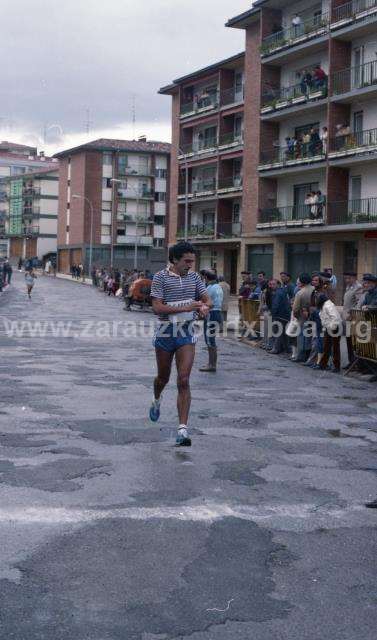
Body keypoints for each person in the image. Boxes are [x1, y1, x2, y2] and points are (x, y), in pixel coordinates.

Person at [149, 242, 211, 447]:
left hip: (186, 332)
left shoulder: (194, 278)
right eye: (187, 261)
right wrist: (186, 306)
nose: (190, 265)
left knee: (183, 380)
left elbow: (207, 300)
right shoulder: (160, 277)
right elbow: (157, 307)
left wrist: (203, 308)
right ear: (174, 260)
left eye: (192, 261)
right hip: (165, 332)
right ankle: (157, 399)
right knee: (163, 378)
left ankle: (182, 430)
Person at [199, 271, 223, 372]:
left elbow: (205, 301)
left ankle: (212, 364)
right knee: (211, 339)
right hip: (217, 313)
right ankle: (211, 363)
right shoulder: (218, 286)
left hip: (211, 314)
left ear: (206, 278)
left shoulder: (209, 288)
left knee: (209, 340)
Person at [342, 271, 363, 370]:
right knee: (348, 341)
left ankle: (355, 363)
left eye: (349, 278)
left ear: (354, 278)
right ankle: (351, 362)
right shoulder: (349, 287)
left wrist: (351, 313)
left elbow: (359, 303)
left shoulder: (358, 287)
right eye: (346, 278)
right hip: (346, 319)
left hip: (353, 319)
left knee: (353, 342)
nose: (347, 280)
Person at [317, 293, 342, 372]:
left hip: (334, 327)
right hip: (331, 327)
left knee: (335, 347)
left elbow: (335, 317)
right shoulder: (325, 306)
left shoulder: (328, 306)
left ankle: (336, 366)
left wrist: (331, 328)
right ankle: (323, 364)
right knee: (327, 346)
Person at [292, 273, 314, 362]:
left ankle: (302, 356)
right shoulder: (314, 290)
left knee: (302, 337)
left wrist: (297, 316)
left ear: (302, 282)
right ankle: (310, 356)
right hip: (313, 317)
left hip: (302, 318)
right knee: (311, 337)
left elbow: (295, 309)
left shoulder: (300, 293)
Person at [265, 279, 291, 354]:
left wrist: (273, 313)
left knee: (278, 332)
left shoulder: (278, 293)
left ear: (278, 285)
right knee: (283, 332)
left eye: (274, 284)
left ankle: (276, 348)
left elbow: (275, 305)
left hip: (280, 315)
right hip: (284, 315)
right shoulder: (282, 291)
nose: (272, 286)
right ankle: (287, 349)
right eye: (271, 284)